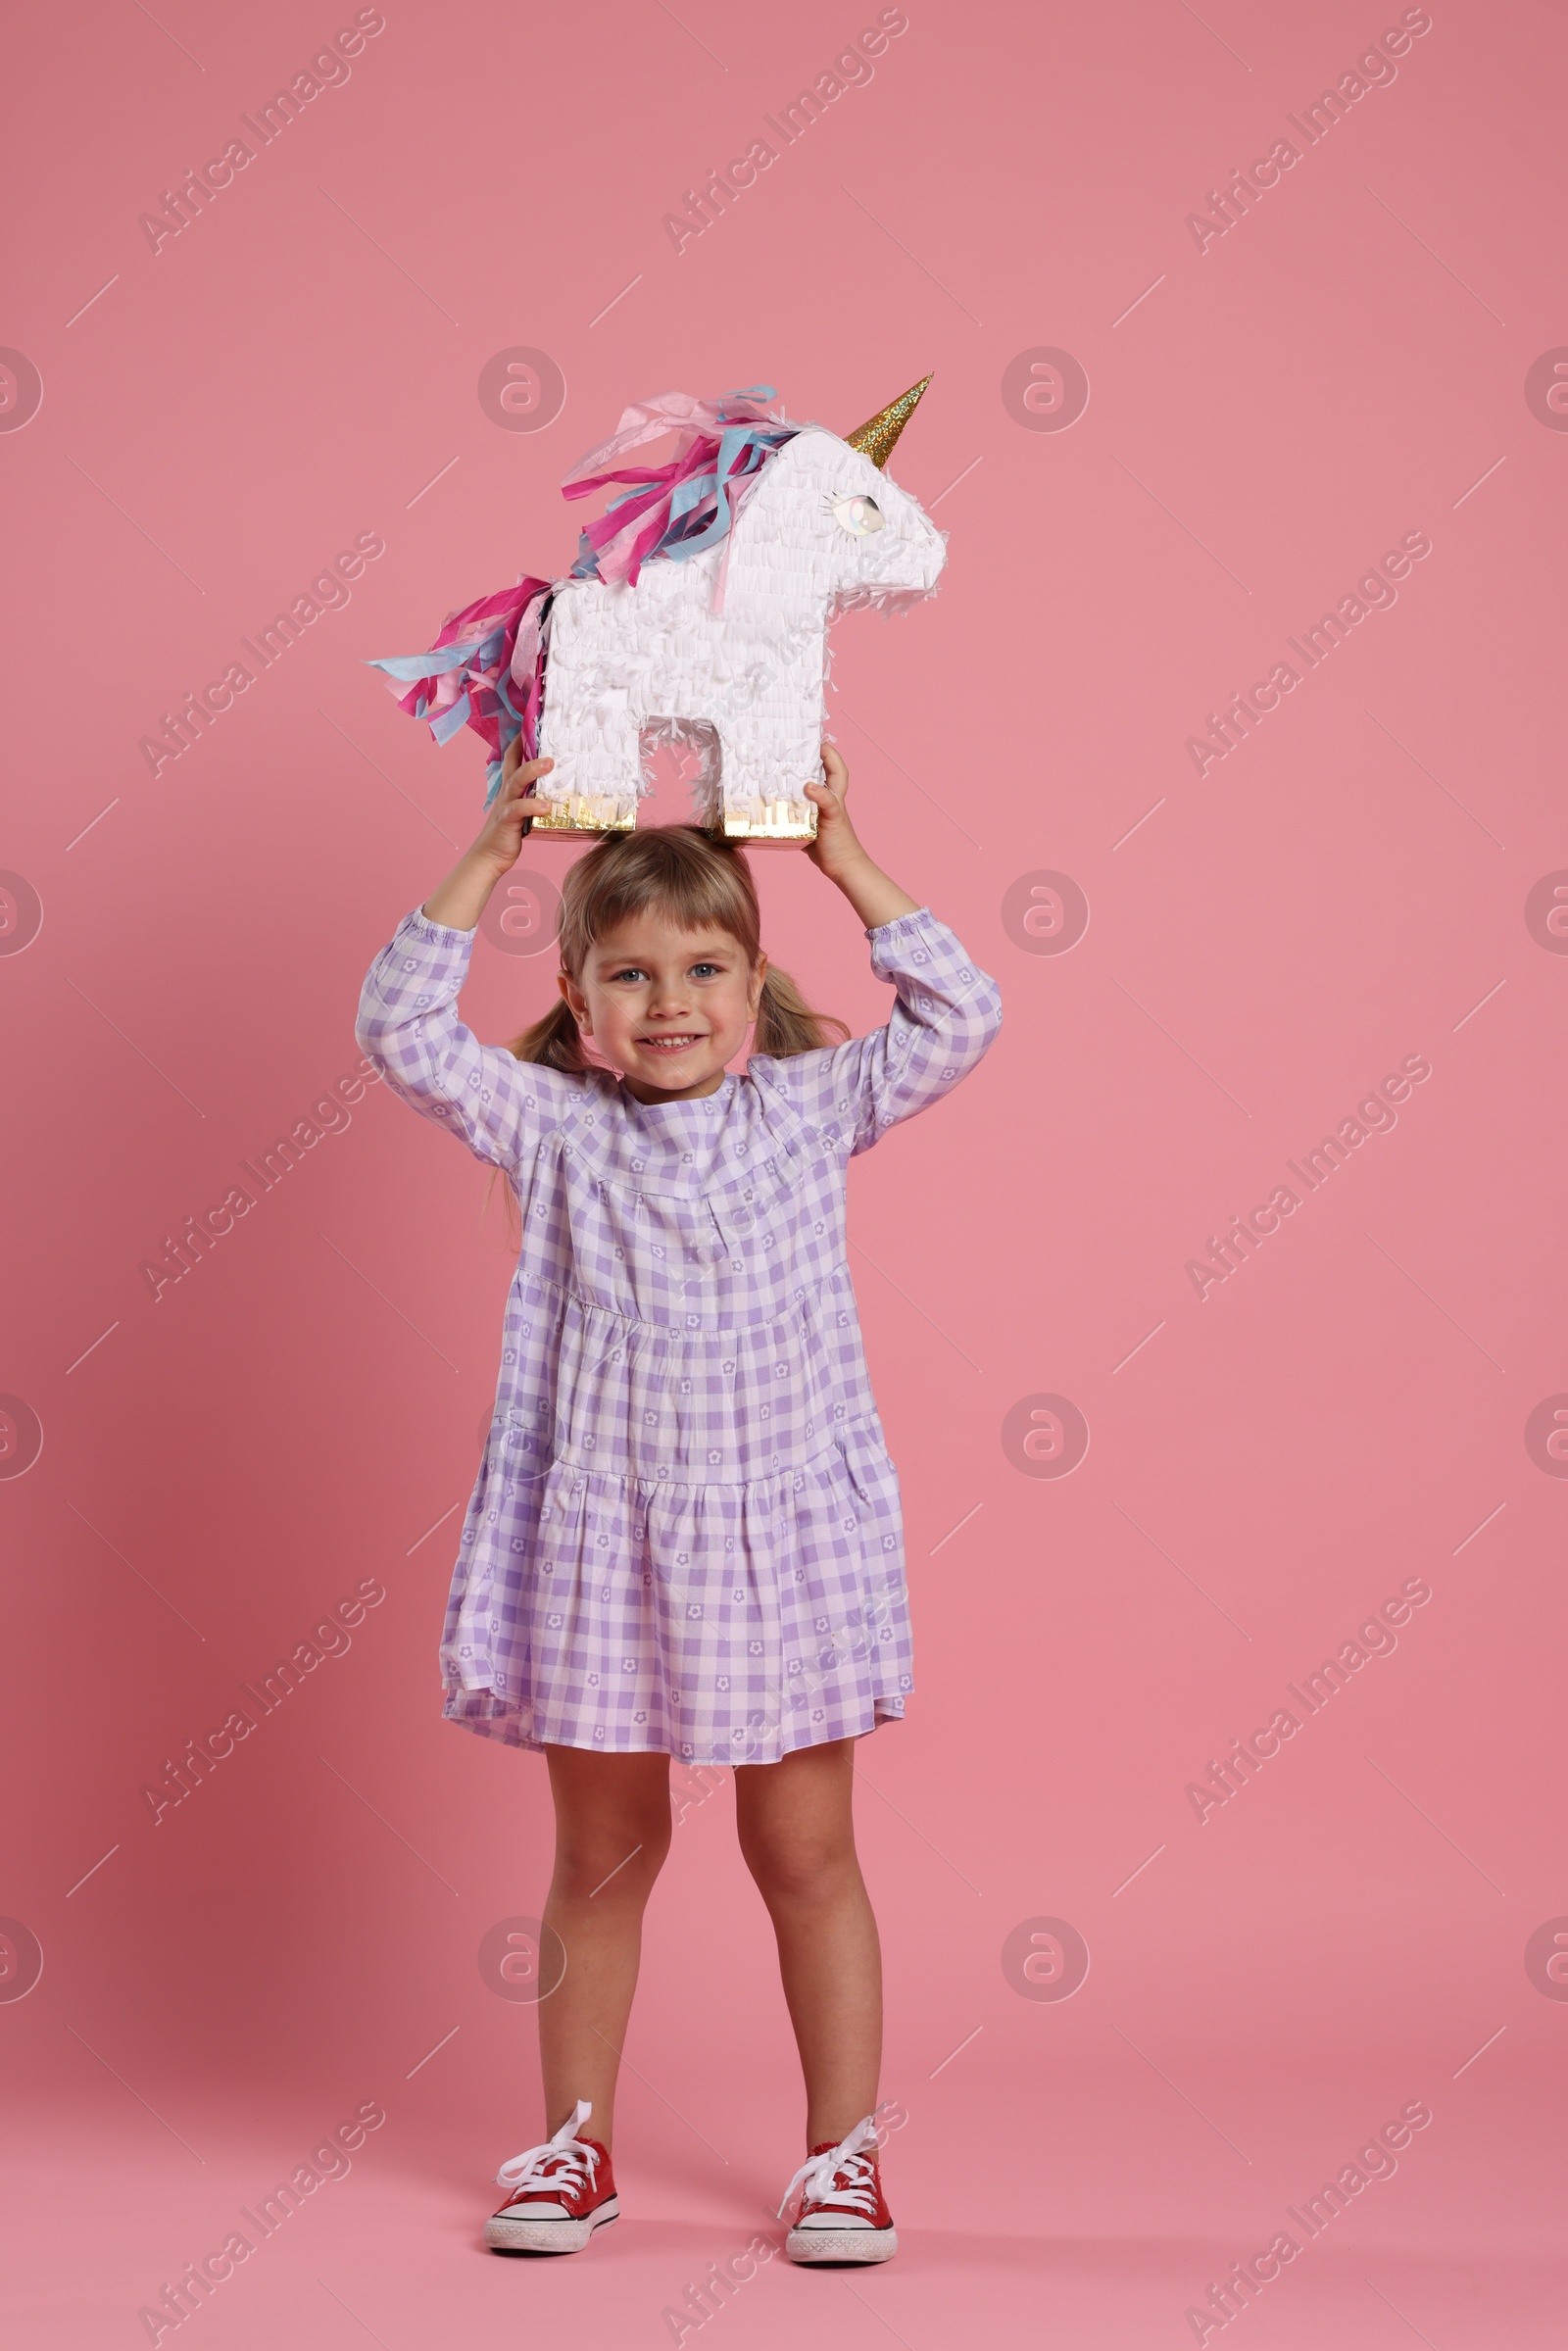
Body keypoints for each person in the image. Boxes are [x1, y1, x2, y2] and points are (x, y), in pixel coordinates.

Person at [355, 739, 1002, 2264]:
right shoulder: (551, 1124)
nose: (670, 1004)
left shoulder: (807, 1110)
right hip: (607, 1547)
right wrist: (488, 855)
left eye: (704, 967)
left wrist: (842, 852)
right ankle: (575, 2146)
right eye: (631, 976)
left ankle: (842, 2155)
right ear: (579, 1004)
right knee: (599, 1859)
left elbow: (965, 1012)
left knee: (808, 1856)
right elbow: (395, 1026)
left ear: (754, 979)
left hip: (784, 1542)